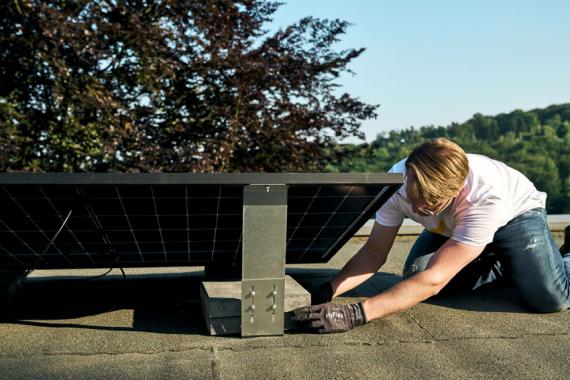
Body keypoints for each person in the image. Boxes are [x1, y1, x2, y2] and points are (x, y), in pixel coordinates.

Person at [293, 138, 570, 334]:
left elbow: (434, 281)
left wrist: (356, 314)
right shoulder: (397, 184)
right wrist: (327, 290)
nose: (416, 210)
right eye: (413, 199)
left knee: (550, 298)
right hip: (460, 230)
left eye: (428, 204)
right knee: (416, 274)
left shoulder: (485, 197)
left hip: (516, 216)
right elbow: (373, 253)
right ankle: (512, 264)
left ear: (456, 190)